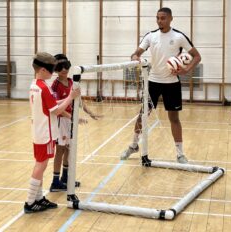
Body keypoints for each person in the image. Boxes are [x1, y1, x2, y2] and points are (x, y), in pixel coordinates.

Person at [120, 7, 201, 164]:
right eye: (157, 18)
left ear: (171, 19)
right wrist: (136, 57)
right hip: (153, 82)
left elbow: (197, 56)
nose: (159, 21)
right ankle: (134, 145)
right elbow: (135, 53)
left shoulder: (179, 36)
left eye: (163, 18)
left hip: (172, 84)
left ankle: (180, 154)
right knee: (143, 115)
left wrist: (186, 69)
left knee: (174, 118)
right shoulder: (151, 36)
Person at [25, 52, 80, 213]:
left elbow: (51, 103)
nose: (53, 73)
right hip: (46, 133)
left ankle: (38, 198)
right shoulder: (43, 88)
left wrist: (67, 98)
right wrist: (70, 97)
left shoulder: (35, 85)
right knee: (41, 165)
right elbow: (56, 110)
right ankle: (30, 202)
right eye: (51, 69)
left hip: (38, 131)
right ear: (43, 70)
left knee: (40, 164)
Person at [50, 53, 102, 192]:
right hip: (62, 121)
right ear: (55, 69)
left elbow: (79, 101)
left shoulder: (72, 82)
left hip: (70, 120)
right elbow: (56, 109)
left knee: (69, 149)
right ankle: (55, 182)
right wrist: (73, 118)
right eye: (60, 67)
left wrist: (91, 113)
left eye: (66, 66)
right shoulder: (55, 85)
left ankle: (65, 178)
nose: (64, 70)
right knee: (60, 150)